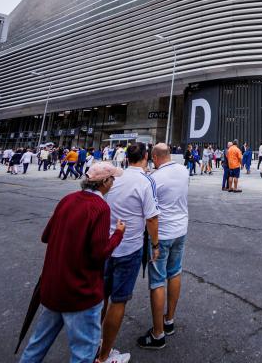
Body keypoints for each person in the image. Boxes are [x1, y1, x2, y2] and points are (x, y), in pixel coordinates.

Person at [19, 162, 126, 363]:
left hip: (53, 288)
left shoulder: (67, 199)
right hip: (80, 292)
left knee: (37, 344)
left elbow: (46, 236)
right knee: (84, 352)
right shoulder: (100, 207)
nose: (113, 183)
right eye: (112, 179)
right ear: (104, 181)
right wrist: (118, 234)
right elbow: (99, 253)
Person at [99, 143, 160, 363]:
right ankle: (105, 356)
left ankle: (95, 345)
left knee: (101, 297)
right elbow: (152, 218)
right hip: (129, 248)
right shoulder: (146, 181)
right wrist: (155, 244)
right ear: (146, 157)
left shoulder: (114, 178)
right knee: (119, 300)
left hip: (106, 246)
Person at [137, 143, 189, 349]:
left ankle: (157, 334)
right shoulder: (184, 171)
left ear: (156, 157)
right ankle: (169, 321)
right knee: (175, 273)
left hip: (162, 234)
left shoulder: (153, 179)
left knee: (157, 281)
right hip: (180, 230)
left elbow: (148, 210)